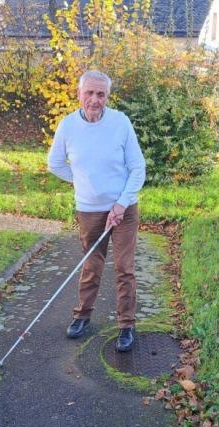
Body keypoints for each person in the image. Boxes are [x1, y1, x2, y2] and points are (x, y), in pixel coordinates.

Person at [47, 70, 146, 352]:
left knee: (125, 268)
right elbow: (54, 163)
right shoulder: (68, 126)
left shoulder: (120, 123)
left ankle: (126, 325)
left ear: (107, 97)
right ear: (79, 94)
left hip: (123, 209)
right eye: (89, 93)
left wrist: (121, 203)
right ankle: (82, 317)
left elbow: (137, 168)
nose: (95, 99)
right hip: (88, 210)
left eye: (101, 94)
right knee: (91, 265)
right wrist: (80, 181)